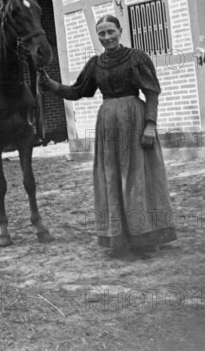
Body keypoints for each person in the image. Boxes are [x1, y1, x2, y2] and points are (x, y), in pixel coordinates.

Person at [39, 15, 176, 255]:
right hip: (108, 122)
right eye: (101, 33)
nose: (106, 37)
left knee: (137, 176)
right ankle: (120, 238)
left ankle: (145, 236)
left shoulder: (136, 58)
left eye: (110, 32)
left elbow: (151, 92)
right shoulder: (96, 64)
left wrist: (150, 125)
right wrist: (52, 85)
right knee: (112, 176)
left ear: (120, 31)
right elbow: (78, 91)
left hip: (135, 119)